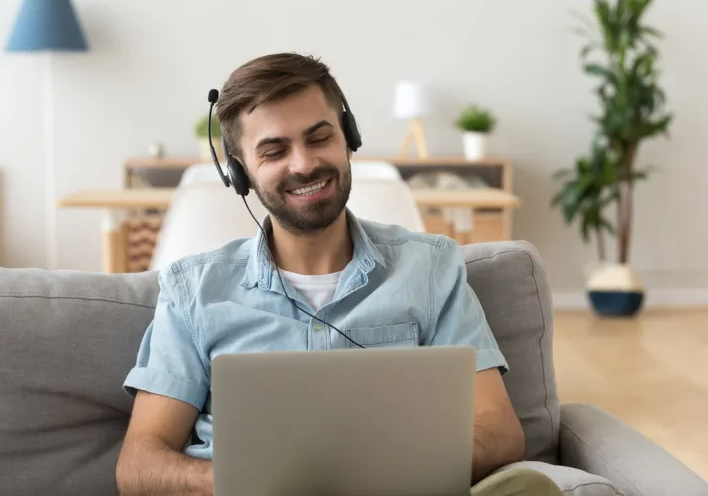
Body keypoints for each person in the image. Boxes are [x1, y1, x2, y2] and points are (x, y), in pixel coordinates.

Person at [116, 52, 563, 496]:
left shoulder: (431, 269)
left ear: (348, 137)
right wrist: (254, 484)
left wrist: (376, 474)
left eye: (319, 138)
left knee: (527, 487)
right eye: (274, 151)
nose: (304, 164)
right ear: (240, 173)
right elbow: (140, 464)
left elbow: (500, 432)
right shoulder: (192, 290)